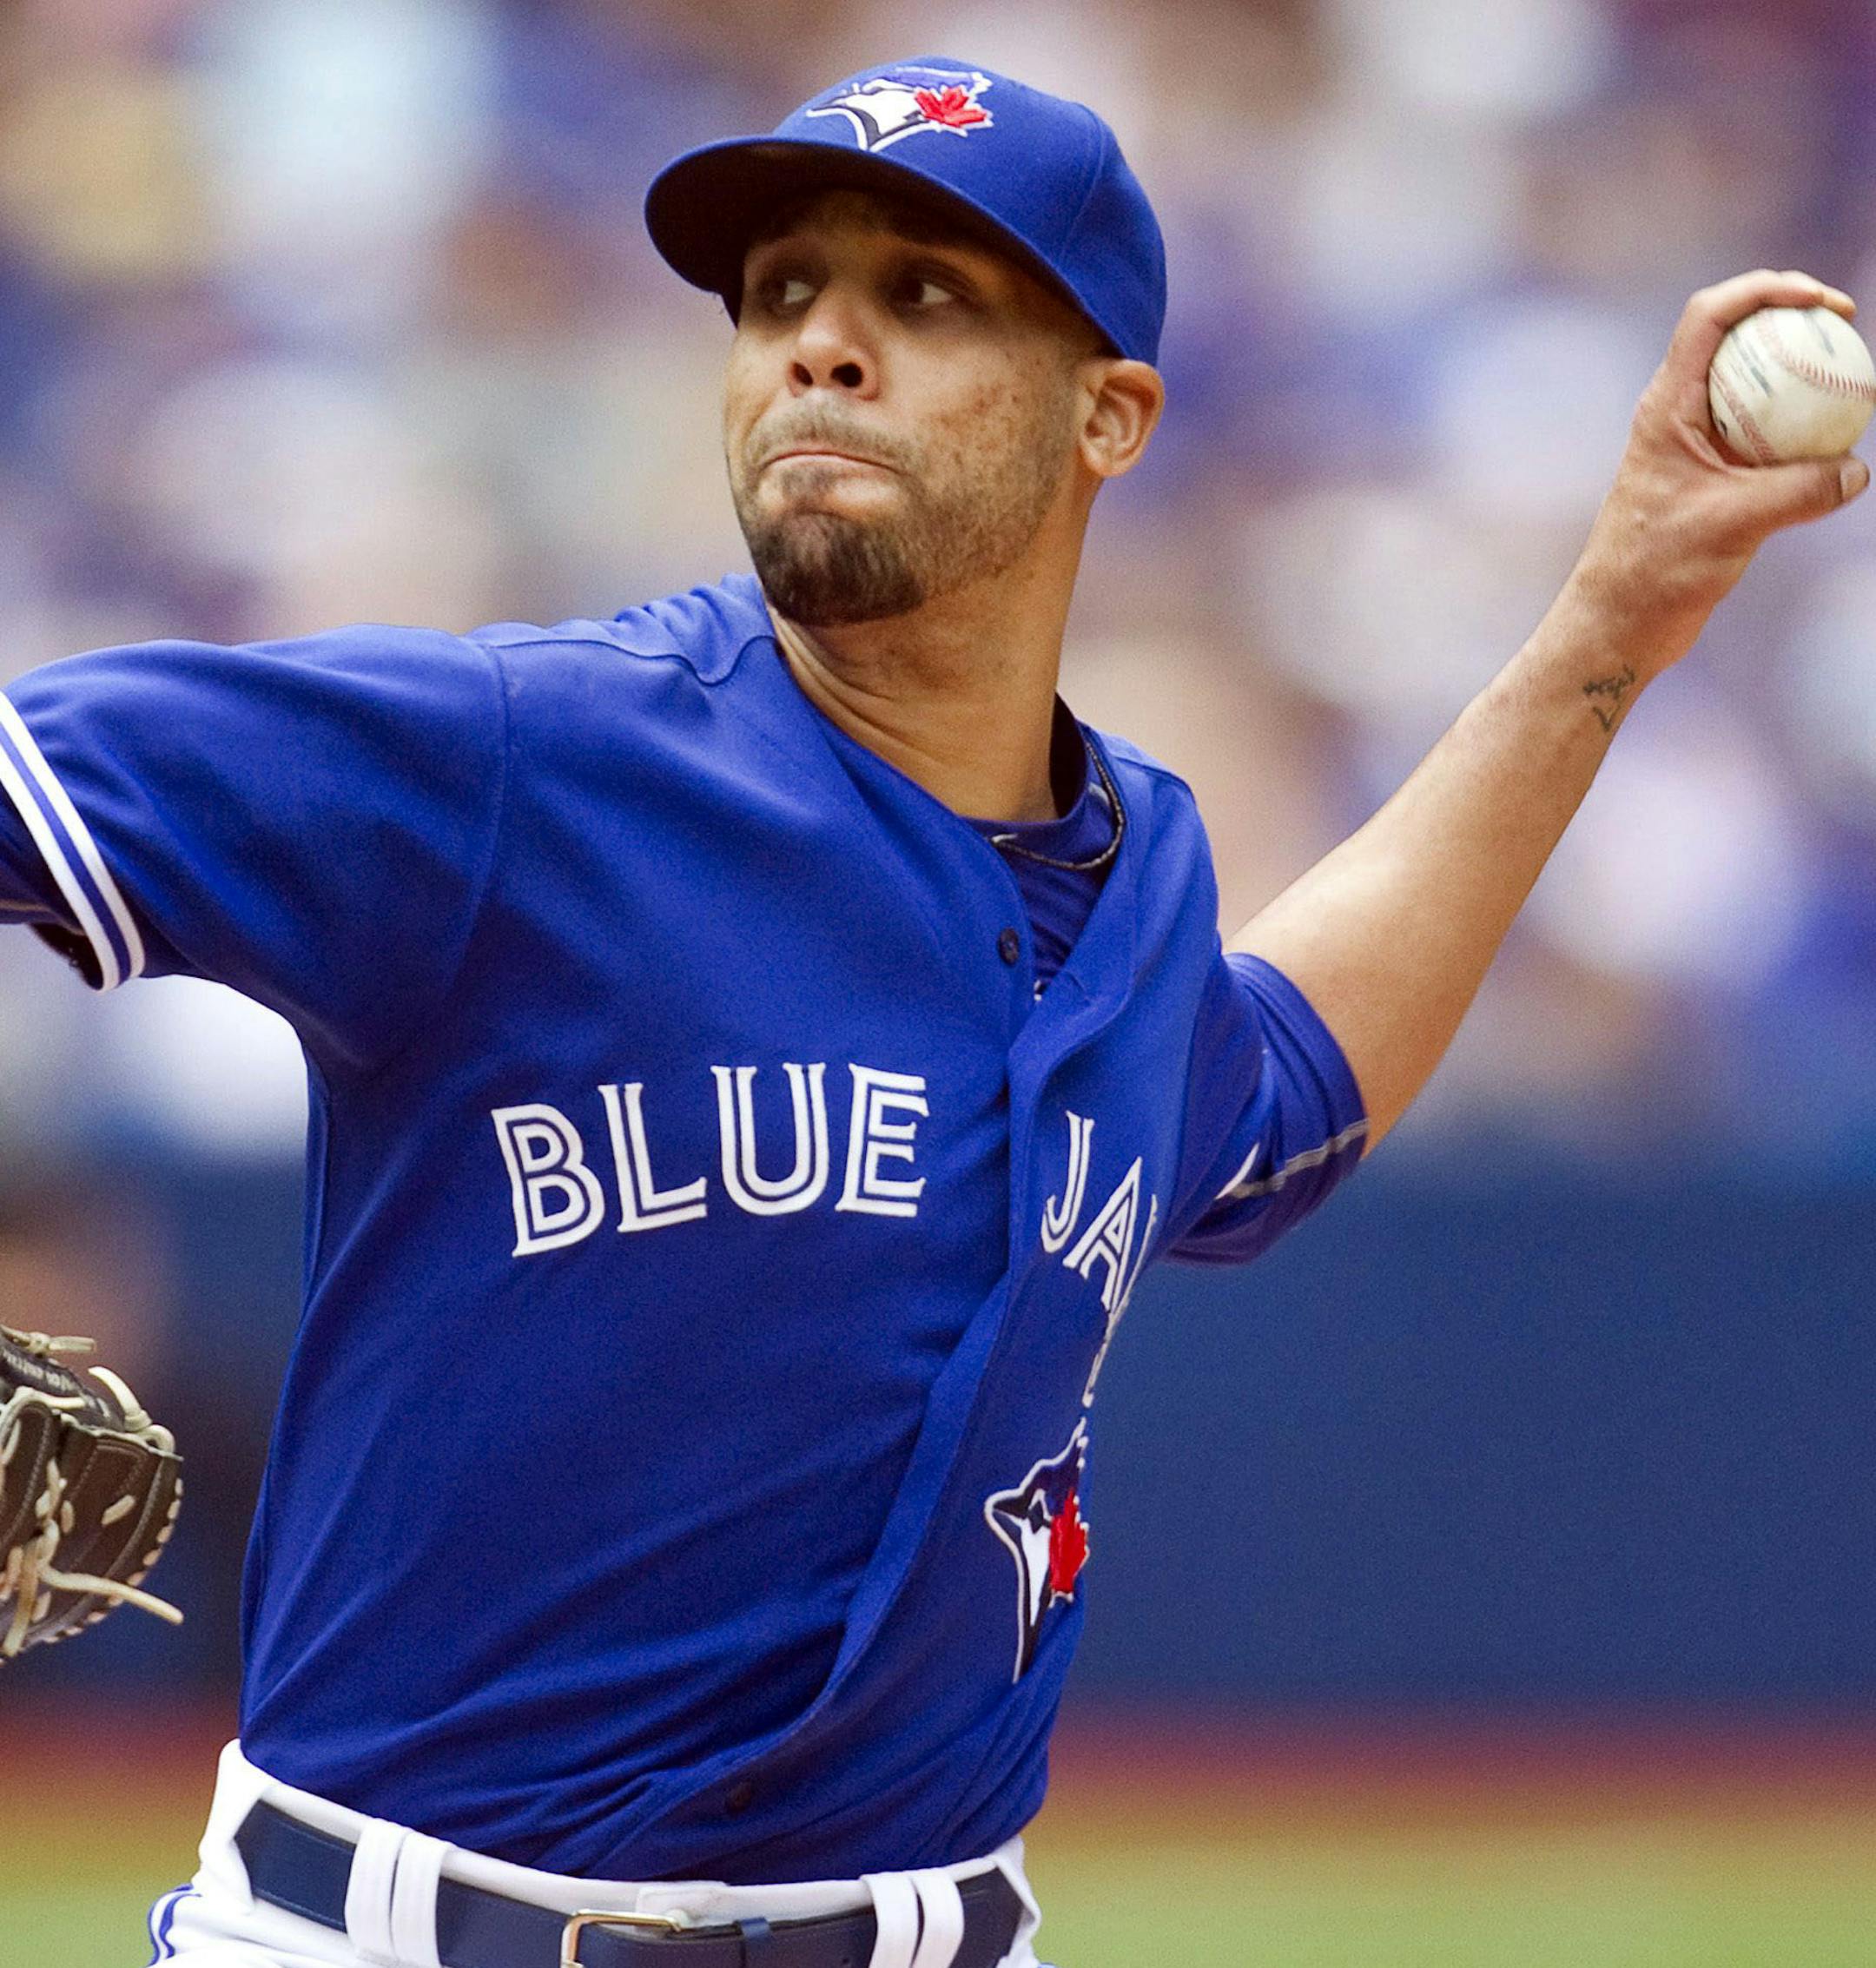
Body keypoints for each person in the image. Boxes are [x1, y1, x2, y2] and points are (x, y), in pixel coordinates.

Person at [1, 56, 1864, 1968]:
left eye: (925, 296)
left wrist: (1614, 621)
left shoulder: (1137, 881)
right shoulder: (520, 762)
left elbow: (1272, 1097)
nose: (821, 345)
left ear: (1110, 416)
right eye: (782, 294)